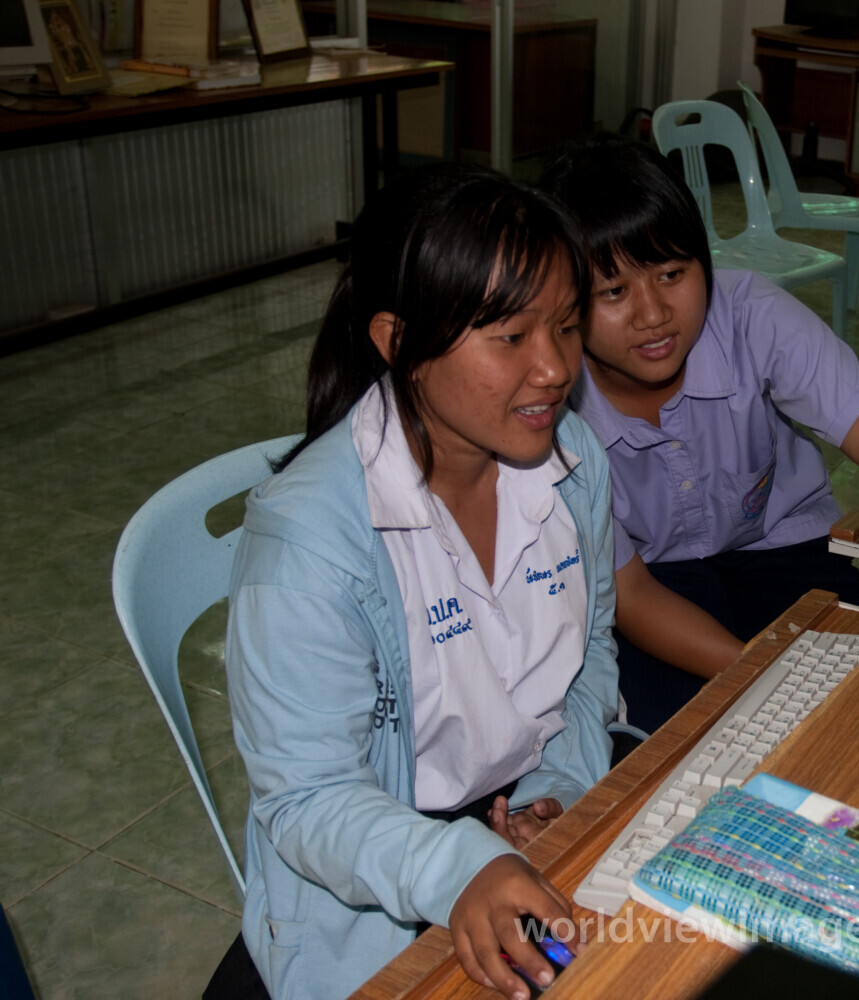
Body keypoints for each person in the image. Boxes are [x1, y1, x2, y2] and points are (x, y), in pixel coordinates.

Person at [219, 164, 619, 1000]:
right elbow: (308, 800)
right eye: (510, 338)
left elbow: (590, 657)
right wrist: (465, 865)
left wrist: (560, 790)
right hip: (379, 870)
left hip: (523, 814)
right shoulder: (310, 542)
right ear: (398, 343)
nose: (554, 369)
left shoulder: (574, 466)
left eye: (569, 326)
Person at [544, 135, 859, 734]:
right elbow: (631, 598)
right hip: (654, 584)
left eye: (672, 272)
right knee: (685, 734)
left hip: (781, 545)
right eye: (613, 292)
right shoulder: (555, 403)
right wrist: (766, 671)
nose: (653, 313)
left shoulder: (748, 314)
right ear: (563, 303)